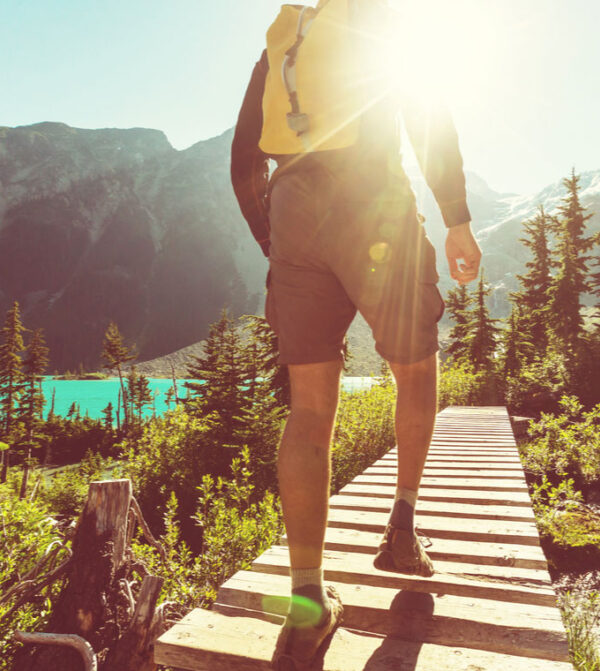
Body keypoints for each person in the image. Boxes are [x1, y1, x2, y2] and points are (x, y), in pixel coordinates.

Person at [230, 2, 481, 668]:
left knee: (309, 410)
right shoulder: (378, 21)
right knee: (416, 367)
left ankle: (307, 602)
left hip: (293, 208)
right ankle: (402, 522)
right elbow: (427, 118)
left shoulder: (282, 45)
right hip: (372, 203)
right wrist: (456, 218)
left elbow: (241, 163)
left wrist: (275, 240)